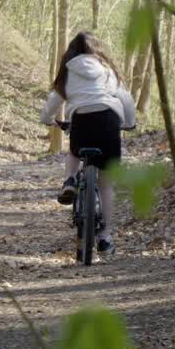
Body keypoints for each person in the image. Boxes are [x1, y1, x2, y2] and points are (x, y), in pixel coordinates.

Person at [39, 32, 137, 254]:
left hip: (81, 120)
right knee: (106, 184)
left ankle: (69, 181)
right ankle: (105, 237)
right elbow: (126, 99)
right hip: (108, 120)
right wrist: (129, 123)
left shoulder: (69, 71)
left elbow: (53, 101)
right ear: (97, 49)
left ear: (72, 52)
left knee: (74, 152)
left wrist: (48, 120)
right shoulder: (107, 71)